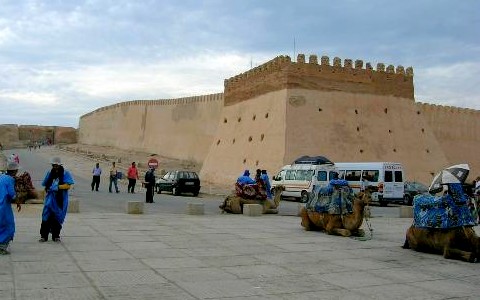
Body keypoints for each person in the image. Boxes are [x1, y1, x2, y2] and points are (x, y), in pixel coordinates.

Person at [39, 157, 74, 243]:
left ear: (59, 165)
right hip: (50, 199)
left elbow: (68, 186)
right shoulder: (49, 173)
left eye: (56, 165)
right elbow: (45, 184)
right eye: (53, 165)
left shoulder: (66, 173)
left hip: (60, 199)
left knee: (57, 217)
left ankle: (56, 236)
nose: (55, 167)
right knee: (46, 216)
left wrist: (58, 187)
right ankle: (44, 236)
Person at [0, 162, 21, 254]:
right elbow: (12, 194)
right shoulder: (10, 179)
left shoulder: (1, 177)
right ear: (15, 171)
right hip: (3, 206)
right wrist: (18, 202)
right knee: (9, 226)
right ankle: (2, 247)